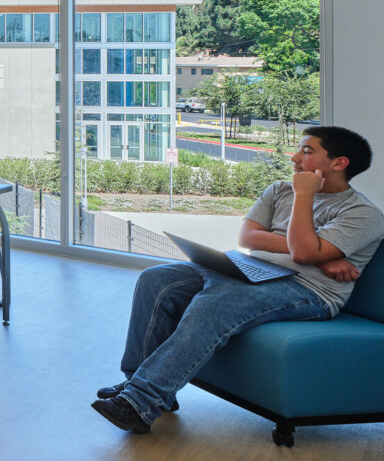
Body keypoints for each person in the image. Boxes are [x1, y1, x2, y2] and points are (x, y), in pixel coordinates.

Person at [94, 125, 384, 434]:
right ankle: (136, 383)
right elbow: (248, 236)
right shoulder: (277, 190)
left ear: (339, 163)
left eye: (307, 152)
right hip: (249, 268)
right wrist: (320, 253)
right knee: (157, 279)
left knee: (216, 303)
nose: (295, 157)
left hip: (307, 289)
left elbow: (301, 254)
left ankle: (141, 402)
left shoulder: (363, 213)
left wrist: (305, 202)